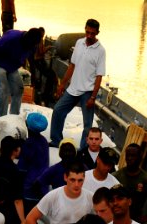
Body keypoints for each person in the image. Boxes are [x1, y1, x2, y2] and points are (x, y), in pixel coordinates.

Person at [49, 19, 106, 151]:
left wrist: (93, 97)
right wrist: (62, 85)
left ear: (98, 32)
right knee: (58, 111)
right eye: (87, 32)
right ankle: (56, 140)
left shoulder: (101, 51)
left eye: (93, 33)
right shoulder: (79, 43)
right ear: (85, 29)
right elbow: (72, 65)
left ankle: (84, 149)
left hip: (88, 91)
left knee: (87, 124)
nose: (90, 36)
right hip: (73, 88)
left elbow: (99, 76)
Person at [0, 26, 41, 116]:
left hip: (12, 66)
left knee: (19, 89)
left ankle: (14, 116)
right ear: (27, 38)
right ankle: (1, 118)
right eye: (32, 44)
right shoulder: (12, 38)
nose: (33, 46)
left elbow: (31, 59)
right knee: (4, 89)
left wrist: (33, 75)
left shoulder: (33, 44)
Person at [17, 112, 49, 224]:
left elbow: (22, 168)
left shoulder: (28, 144)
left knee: (28, 220)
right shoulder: (43, 142)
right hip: (41, 187)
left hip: (29, 188)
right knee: (35, 219)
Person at [114, 142, 147, 224]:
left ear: (140, 158)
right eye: (128, 155)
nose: (129, 158)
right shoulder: (116, 176)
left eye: (133, 156)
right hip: (116, 219)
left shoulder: (146, 180)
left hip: (135, 221)